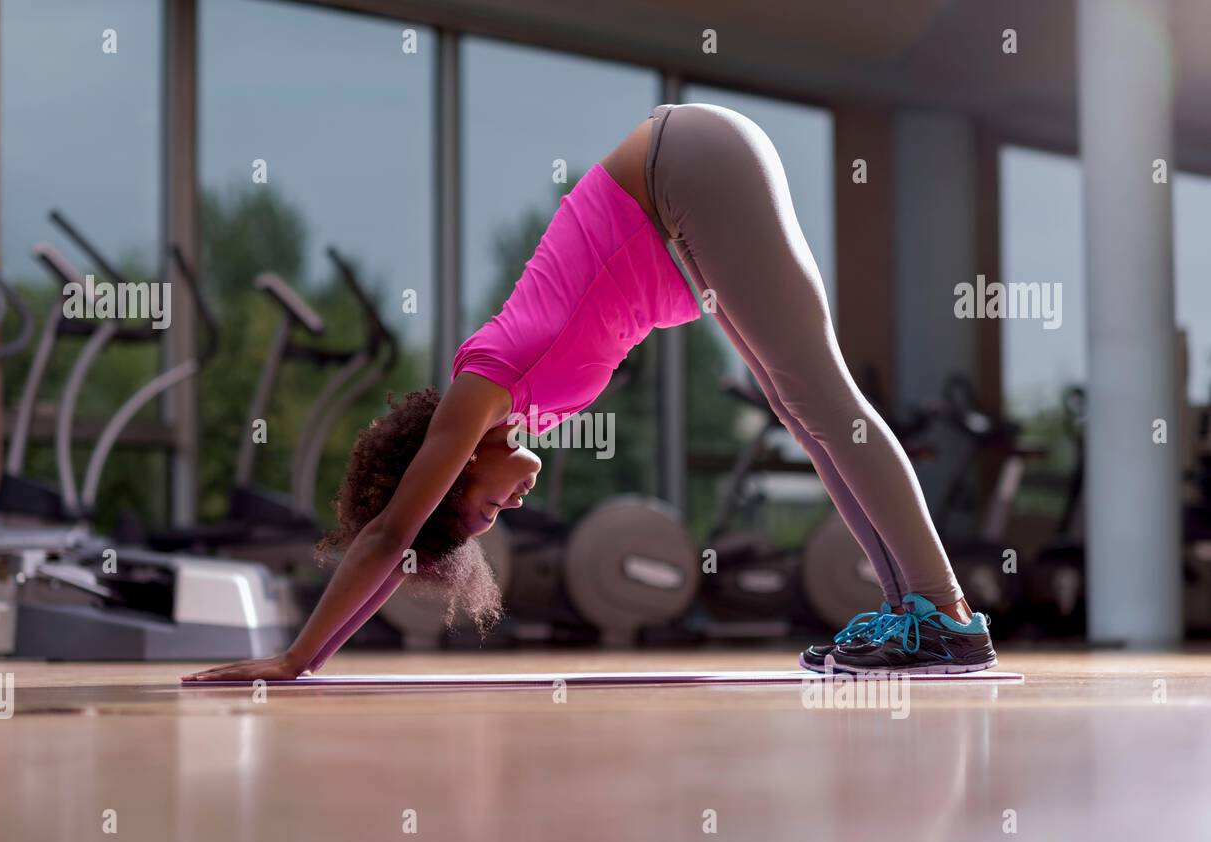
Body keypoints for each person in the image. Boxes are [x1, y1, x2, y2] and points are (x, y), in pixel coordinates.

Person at [185, 103, 995, 682]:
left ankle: (947, 614)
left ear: (459, 465)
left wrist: (294, 657)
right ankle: (911, 615)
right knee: (799, 407)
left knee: (821, 398)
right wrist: (318, 660)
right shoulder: (511, 407)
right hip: (684, 214)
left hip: (684, 171)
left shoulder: (483, 387)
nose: (515, 503)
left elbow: (392, 532)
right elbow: (404, 553)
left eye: (490, 508)